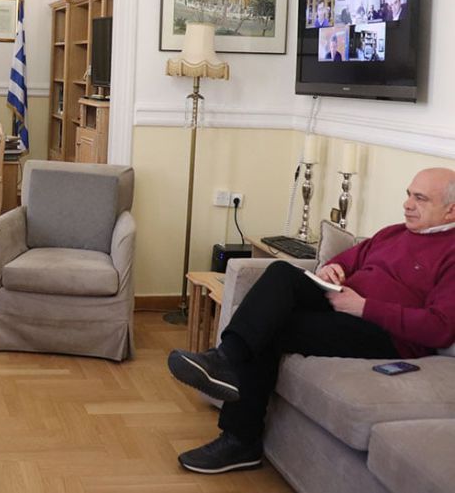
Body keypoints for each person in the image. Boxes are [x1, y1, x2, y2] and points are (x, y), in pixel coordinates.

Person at [167, 167, 455, 474]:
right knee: (281, 273)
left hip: (384, 333)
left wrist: (364, 307)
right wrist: (330, 269)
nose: (407, 204)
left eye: (420, 198)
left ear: (450, 210)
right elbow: (348, 259)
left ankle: (240, 440)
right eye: (408, 195)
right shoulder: (393, 233)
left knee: (270, 329)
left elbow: (439, 328)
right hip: (343, 302)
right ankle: (225, 359)